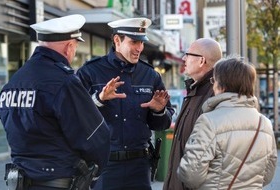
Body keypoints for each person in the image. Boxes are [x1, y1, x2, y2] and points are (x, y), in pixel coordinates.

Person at [0, 14, 110, 190]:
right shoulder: (64, 82)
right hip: (59, 182)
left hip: (20, 182)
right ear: (68, 47)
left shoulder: (14, 82)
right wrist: (94, 176)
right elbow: (97, 138)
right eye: (75, 47)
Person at [76, 17, 174, 190]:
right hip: (104, 166)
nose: (139, 48)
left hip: (140, 166)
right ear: (117, 40)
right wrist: (98, 99)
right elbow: (74, 116)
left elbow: (163, 124)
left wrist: (159, 111)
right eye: (134, 42)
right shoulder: (90, 72)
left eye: (142, 42)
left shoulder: (151, 76)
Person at [177, 55, 278, 189]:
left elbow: (190, 174)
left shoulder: (209, 121)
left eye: (214, 81)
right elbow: (268, 174)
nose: (213, 86)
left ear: (222, 85)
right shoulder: (264, 123)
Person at [163, 38, 223, 190]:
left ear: (202, 60)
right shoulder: (195, 90)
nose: (184, 59)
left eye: (188, 55)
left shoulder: (214, 95)